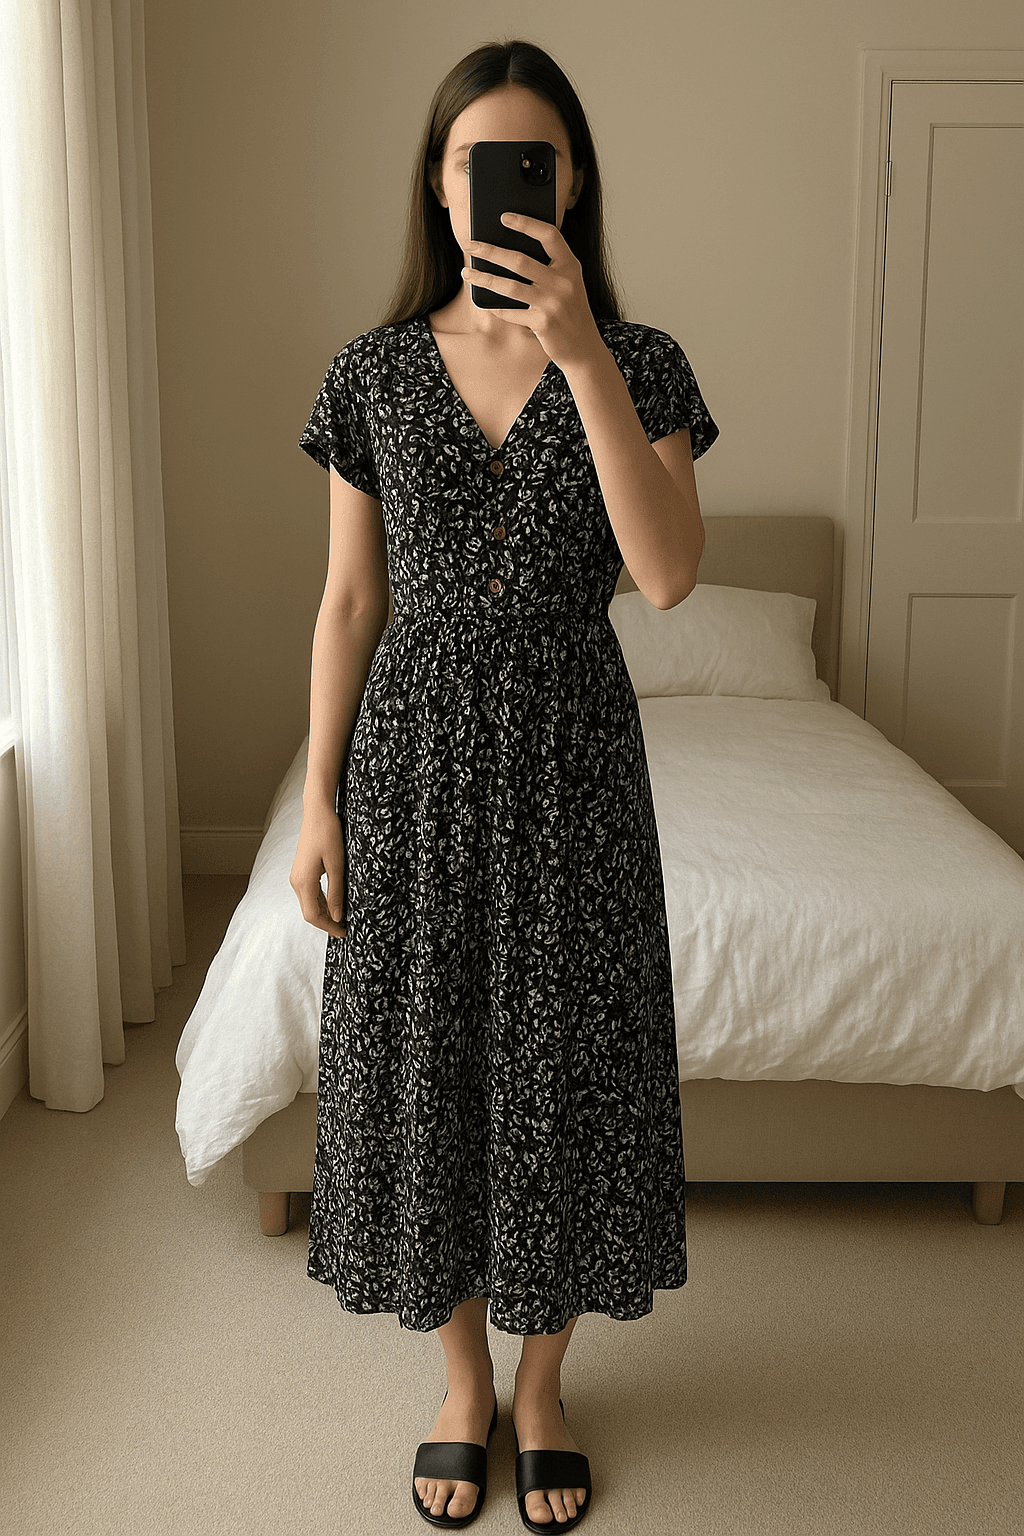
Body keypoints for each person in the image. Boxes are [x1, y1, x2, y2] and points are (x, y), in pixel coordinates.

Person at [291, 36, 719, 1533]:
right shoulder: (370, 373)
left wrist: (582, 353)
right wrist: (320, 799)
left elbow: (667, 575)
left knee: (567, 1071)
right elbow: (351, 603)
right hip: (412, 768)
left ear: (574, 180)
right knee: (437, 1072)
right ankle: (463, 1384)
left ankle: (545, 1389)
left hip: (571, 770)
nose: (501, 184)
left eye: (531, 159)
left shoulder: (643, 363)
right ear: (439, 181)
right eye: (475, 160)